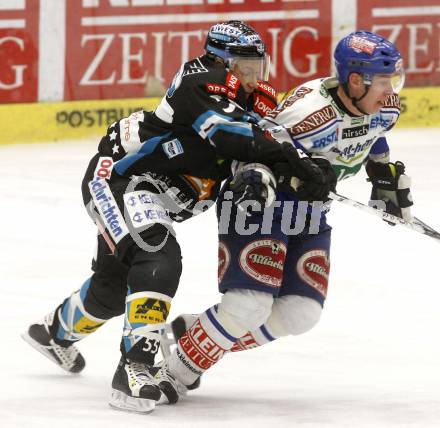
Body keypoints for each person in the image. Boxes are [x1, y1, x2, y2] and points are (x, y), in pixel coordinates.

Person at [21, 21, 330, 414]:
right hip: (125, 179)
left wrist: (307, 168)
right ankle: (136, 367)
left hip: (157, 194)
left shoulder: (255, 99)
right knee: (157, 255)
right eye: (245, 69)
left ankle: (51, 333)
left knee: (113, 289)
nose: (254, 80)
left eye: (259, 69)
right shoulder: (200, 78)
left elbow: (268, 142)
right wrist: (287, 161)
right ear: (221, 62)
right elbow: (229, 134)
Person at [148, 30, 414, 405]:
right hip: (263, 202)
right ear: (356, 80)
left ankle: (193, 333)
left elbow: (375, 134)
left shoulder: (383, 106)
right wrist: (275, 177)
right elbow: (253, 146)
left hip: (312, 209)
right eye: (384, 82)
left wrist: (382, 175)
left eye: (393, 81)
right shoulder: (307, 113)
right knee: (248, 305)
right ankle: (175, 371)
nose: (391, 91)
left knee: (301, 313)